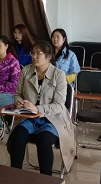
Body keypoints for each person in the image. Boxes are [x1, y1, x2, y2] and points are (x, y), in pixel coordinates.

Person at [8, 41, 76, 175]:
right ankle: (15, 176)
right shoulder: (26, 71)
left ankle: (46, 180)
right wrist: (19, 102)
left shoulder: (59, 75)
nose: (34, 56)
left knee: (44, 141)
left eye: (38, 53)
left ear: (49, 56)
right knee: (17, 136)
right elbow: (18, 94)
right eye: (32, 53)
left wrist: (37, 108)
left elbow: (59, 105)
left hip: (53, 119)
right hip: (29, 117)